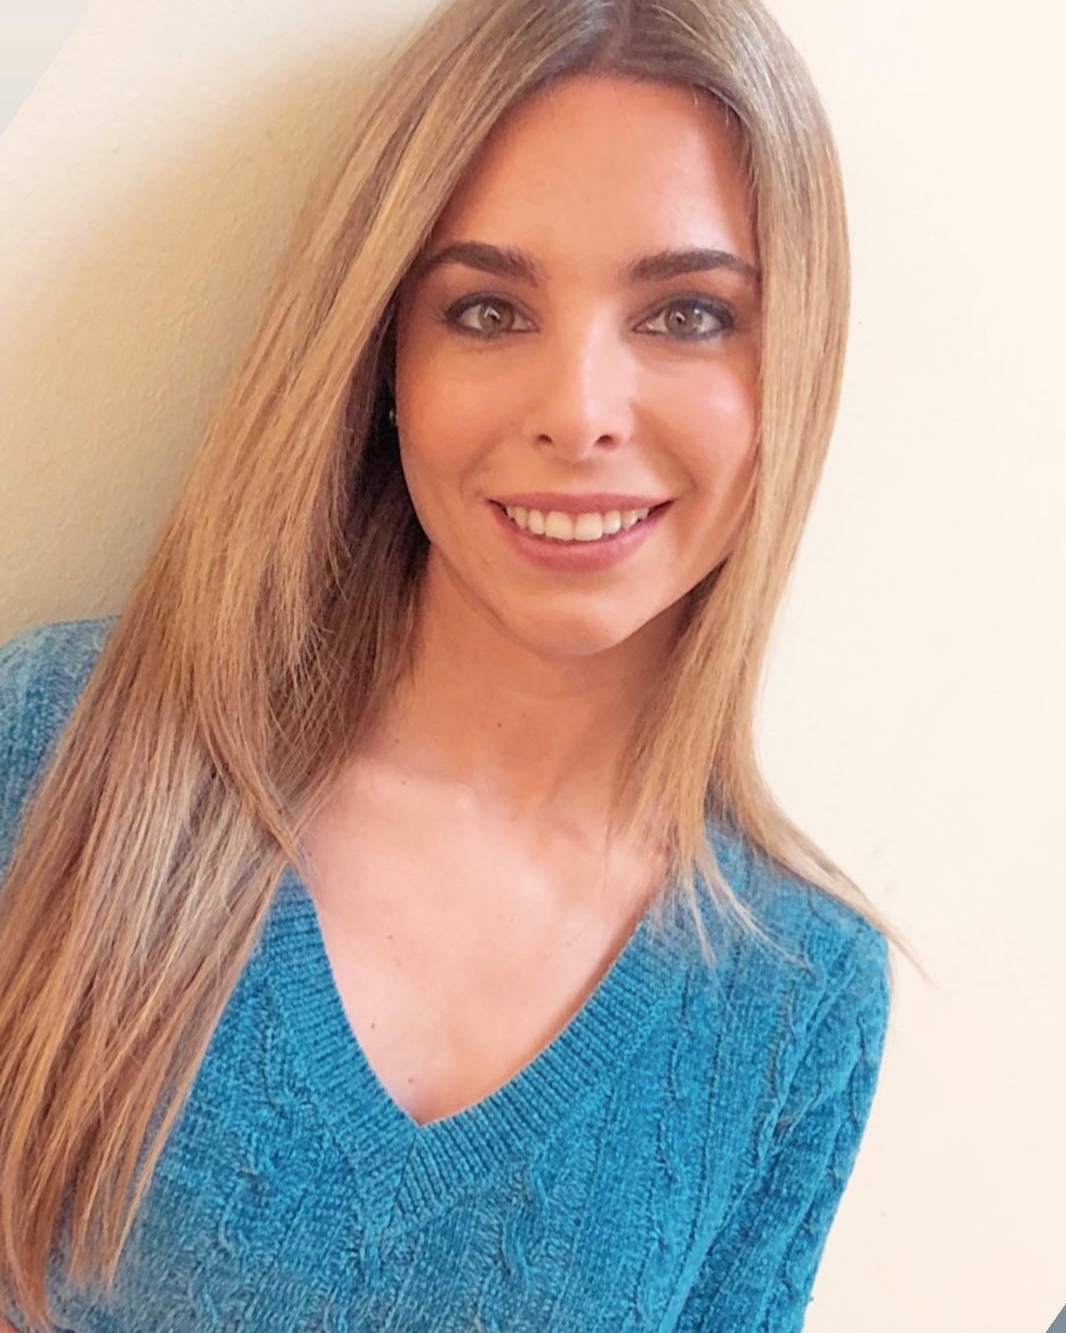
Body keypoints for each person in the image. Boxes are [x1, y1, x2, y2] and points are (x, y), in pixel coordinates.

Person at [0, 0, 924, 1329]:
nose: (579, 413)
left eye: (687, 314)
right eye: (488, 310)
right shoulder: (65, 746)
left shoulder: (799, 998)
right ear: (387, 360)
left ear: (794, 371)